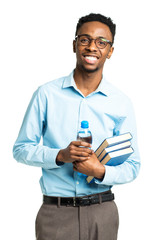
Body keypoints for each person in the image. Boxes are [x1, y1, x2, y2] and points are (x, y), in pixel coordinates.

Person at [13, 13, 140, 240]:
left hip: (103, 212)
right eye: (85, 39)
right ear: (74, 45)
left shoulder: (121, 103)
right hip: (55, 214)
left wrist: (100, 171)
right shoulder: (46, 95)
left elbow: (133, 166)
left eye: (102, 42)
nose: (92, 47)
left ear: (110, 51)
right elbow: (21, 149)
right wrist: (60, 155)